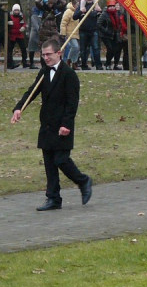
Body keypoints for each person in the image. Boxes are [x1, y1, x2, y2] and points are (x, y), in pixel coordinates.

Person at [11, 37, 93, 211]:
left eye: (49, 54)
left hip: (62, 125)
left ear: (59, 53)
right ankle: (53, 198)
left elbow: (72, 103)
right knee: (49, 162)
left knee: (61, 159)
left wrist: (66, 125)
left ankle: (83, 181)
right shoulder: (43, 73)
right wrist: (19, 108)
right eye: (43, 55)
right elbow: (31, 92)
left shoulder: (69, 75)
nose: (46, 58)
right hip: (47, 124)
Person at [74, 0, 103, 70]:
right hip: (83, 31)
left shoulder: (95, 5)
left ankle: (99, 65)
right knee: (83, 49)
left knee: (96, 48)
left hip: (94, 30)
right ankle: (84, 65)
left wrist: (99, 12)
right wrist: (80, 12)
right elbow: (74, 17)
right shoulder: (81, 5)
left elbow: (100, 17)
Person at [98, 0, 128, 70]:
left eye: (113, 6)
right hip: (106, 35)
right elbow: (99, 24)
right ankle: (108, 64)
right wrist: (105, 30)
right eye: (110, 6)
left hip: (115, 34)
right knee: (110, 49)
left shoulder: (118, 13)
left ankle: (116, 64)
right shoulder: (104, 14)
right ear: (107, 7)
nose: (111, 8)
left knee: (117, 50)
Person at [61, 0, 79, 68]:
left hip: (76, 33)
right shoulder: (68, 11)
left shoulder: (78, 11)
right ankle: (69, 60)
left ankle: (74, 62)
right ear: (74, 4)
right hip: (70, 33)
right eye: (77, 4)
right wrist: (63, 33)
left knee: (77, 49)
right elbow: (63, 22)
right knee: (75, 46)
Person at [8, 4, 28, 69]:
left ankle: (24, 62)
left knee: (23, 48)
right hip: (12, 35)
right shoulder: (10, 16)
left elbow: (24, 23)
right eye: (15, 10)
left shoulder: (21, 17)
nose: (16, 12)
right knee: (10, 50)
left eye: (17, 10)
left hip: (19, 35)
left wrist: (23, 27)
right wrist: (8, 23)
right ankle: (10, 63)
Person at [27, 1, 42, 69]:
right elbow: (35, 25)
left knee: (42, 49)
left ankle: (43, 62)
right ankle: (31, 63)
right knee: (32, 49)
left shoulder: (42, 13)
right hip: (34, 34)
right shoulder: (34, 15)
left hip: (40, 33)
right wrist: (40, 30)